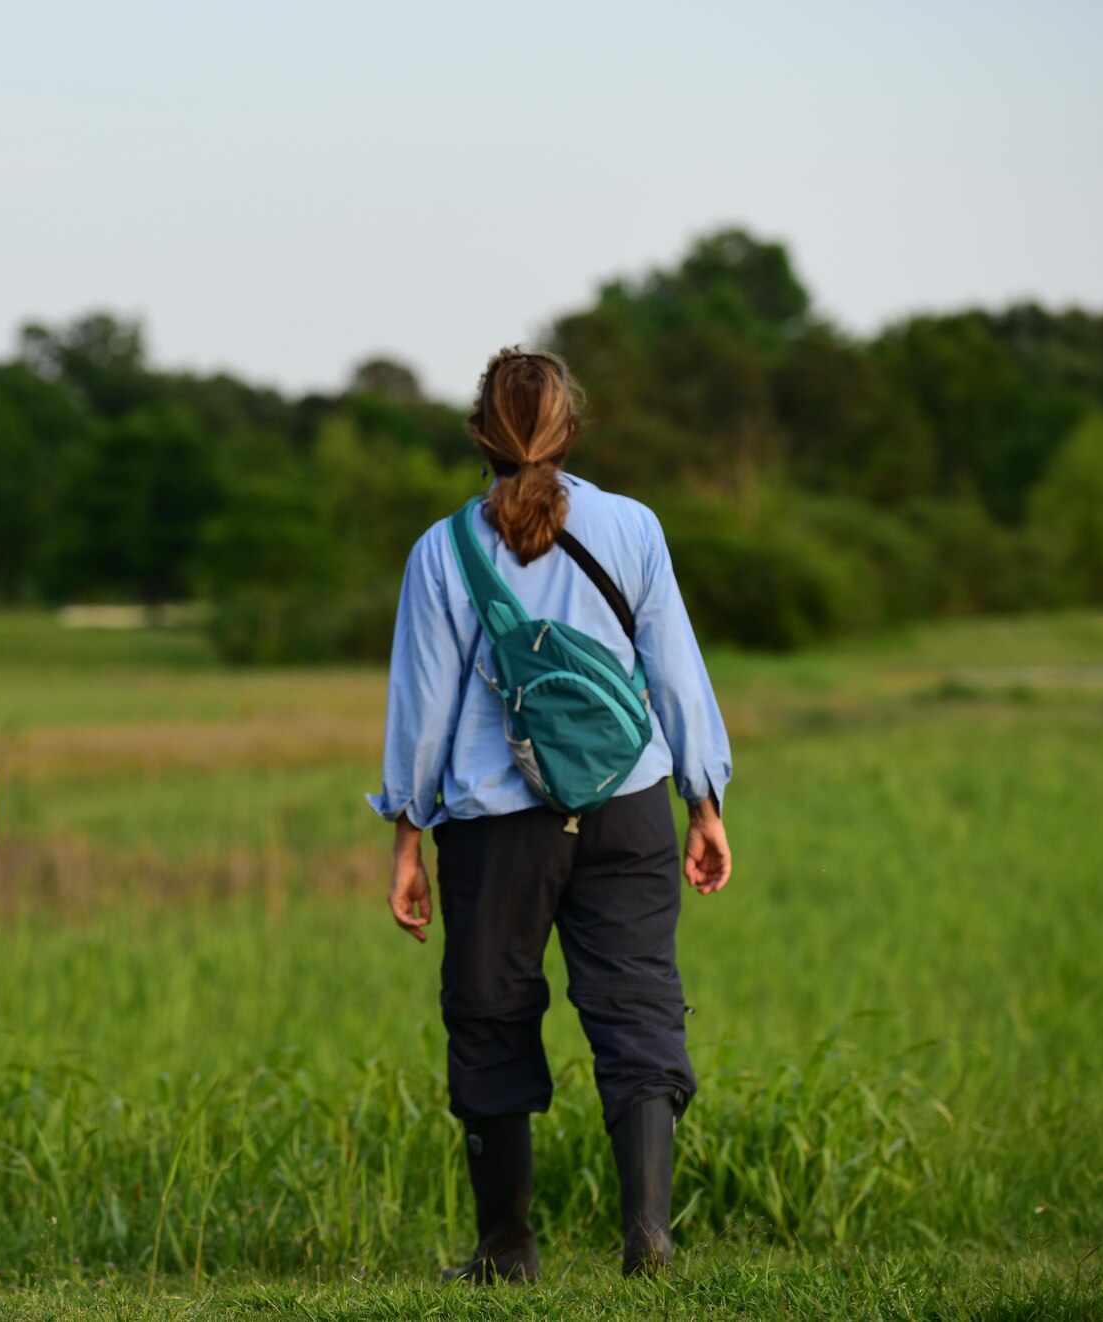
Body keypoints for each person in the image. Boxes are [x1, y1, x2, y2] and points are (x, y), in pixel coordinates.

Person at [369, 349, 732, 1281]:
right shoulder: (634, 526)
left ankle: (506, 1250)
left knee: (489, 1015)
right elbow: (675, 670)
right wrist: (704, 797)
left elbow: (424, 710)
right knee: (639, 1005)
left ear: (479, 436)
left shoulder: (442, 549)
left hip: (496, 830)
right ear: (569, 430)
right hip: (629, 806)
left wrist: (407, 834)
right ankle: (649, 1233)